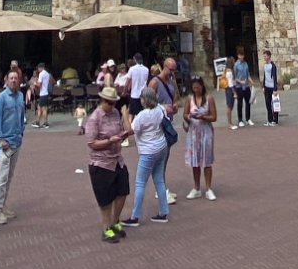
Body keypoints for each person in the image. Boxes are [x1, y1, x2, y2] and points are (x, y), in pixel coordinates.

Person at [83, 84, 132, 242]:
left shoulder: (116, 113)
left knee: (123, 191)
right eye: (109, 103)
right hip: (101, 163)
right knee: (105, 199)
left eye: (114, 103)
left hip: (117, 160)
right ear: (102, 100)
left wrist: (122, 134)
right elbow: (91, 143)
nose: (112, 106)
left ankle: (115, 220)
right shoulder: (94, 118)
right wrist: (109, 141)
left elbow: (123, 130)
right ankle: (106, 228)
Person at [125, 87, 172, 226]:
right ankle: (163, 212)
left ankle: (135, 216)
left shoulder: (142, 115)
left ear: (145, 99)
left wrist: (124, 115)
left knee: (140, 183)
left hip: (147, 150)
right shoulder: (159, 109)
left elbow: (130, 130)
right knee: (159, 180)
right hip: (161, 147)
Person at [0, 67, 26, 226]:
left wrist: (21, 132)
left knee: (9, 177)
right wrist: (1, 138)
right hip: (5, 144)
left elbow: (21, 116)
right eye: (11, 78)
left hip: (16, 142)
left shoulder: (20, 97)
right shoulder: (1, 99)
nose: (13, 80)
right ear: (6, 80)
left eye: (16, 78)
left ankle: (3, 205)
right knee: (2, 178)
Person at [182, 74, 217, 200]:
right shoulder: (189, 99)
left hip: (205, 131)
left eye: (198, 87)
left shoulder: (209, 98)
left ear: (202, 86)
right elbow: (184, 114)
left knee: (207, 160)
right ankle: (196, 188)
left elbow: (214, 117)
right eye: (194, 88)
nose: (196, 90)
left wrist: (202, 117)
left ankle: (208, 188)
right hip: (193, 132)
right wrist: (189, 116)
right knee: (195, 161)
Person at [230, 50, 253, 126]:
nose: (242, 57)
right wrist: (240, 81)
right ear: (238, 56)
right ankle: (240, 120)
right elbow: (234, 77)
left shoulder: (245, 64)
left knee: (248, 102)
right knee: (240, 104)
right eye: (240, 55)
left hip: (246, 86)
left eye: (242, 55)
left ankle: (248, 118)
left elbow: (248, 74)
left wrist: (250, 80)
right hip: (239, 87)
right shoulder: (236, 65)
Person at [260, 49, 281, 125]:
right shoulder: (265, 65)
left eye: (265, 56)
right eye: (264, 56)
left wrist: (275, 89)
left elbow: (274, 77)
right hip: (266, 87)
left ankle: (275, 120)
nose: (264, 58)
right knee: (267, 103)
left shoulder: (273, 66)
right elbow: (265, 76)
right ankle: (269, 119)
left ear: (269, 56)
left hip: (272, 87)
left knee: (274, 104)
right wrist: (263, 86)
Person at [33, 63, 53, 128]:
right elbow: (51, 82)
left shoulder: (41, 74)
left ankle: (41, 122)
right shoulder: (47, 74)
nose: (38, 70)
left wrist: (35, 83)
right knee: (43, 108)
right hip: (46, 93)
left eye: (38, 68)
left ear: (41, 68)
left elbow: (39, 85)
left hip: (43, 93)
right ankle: (42, 122)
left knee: (41, 109)